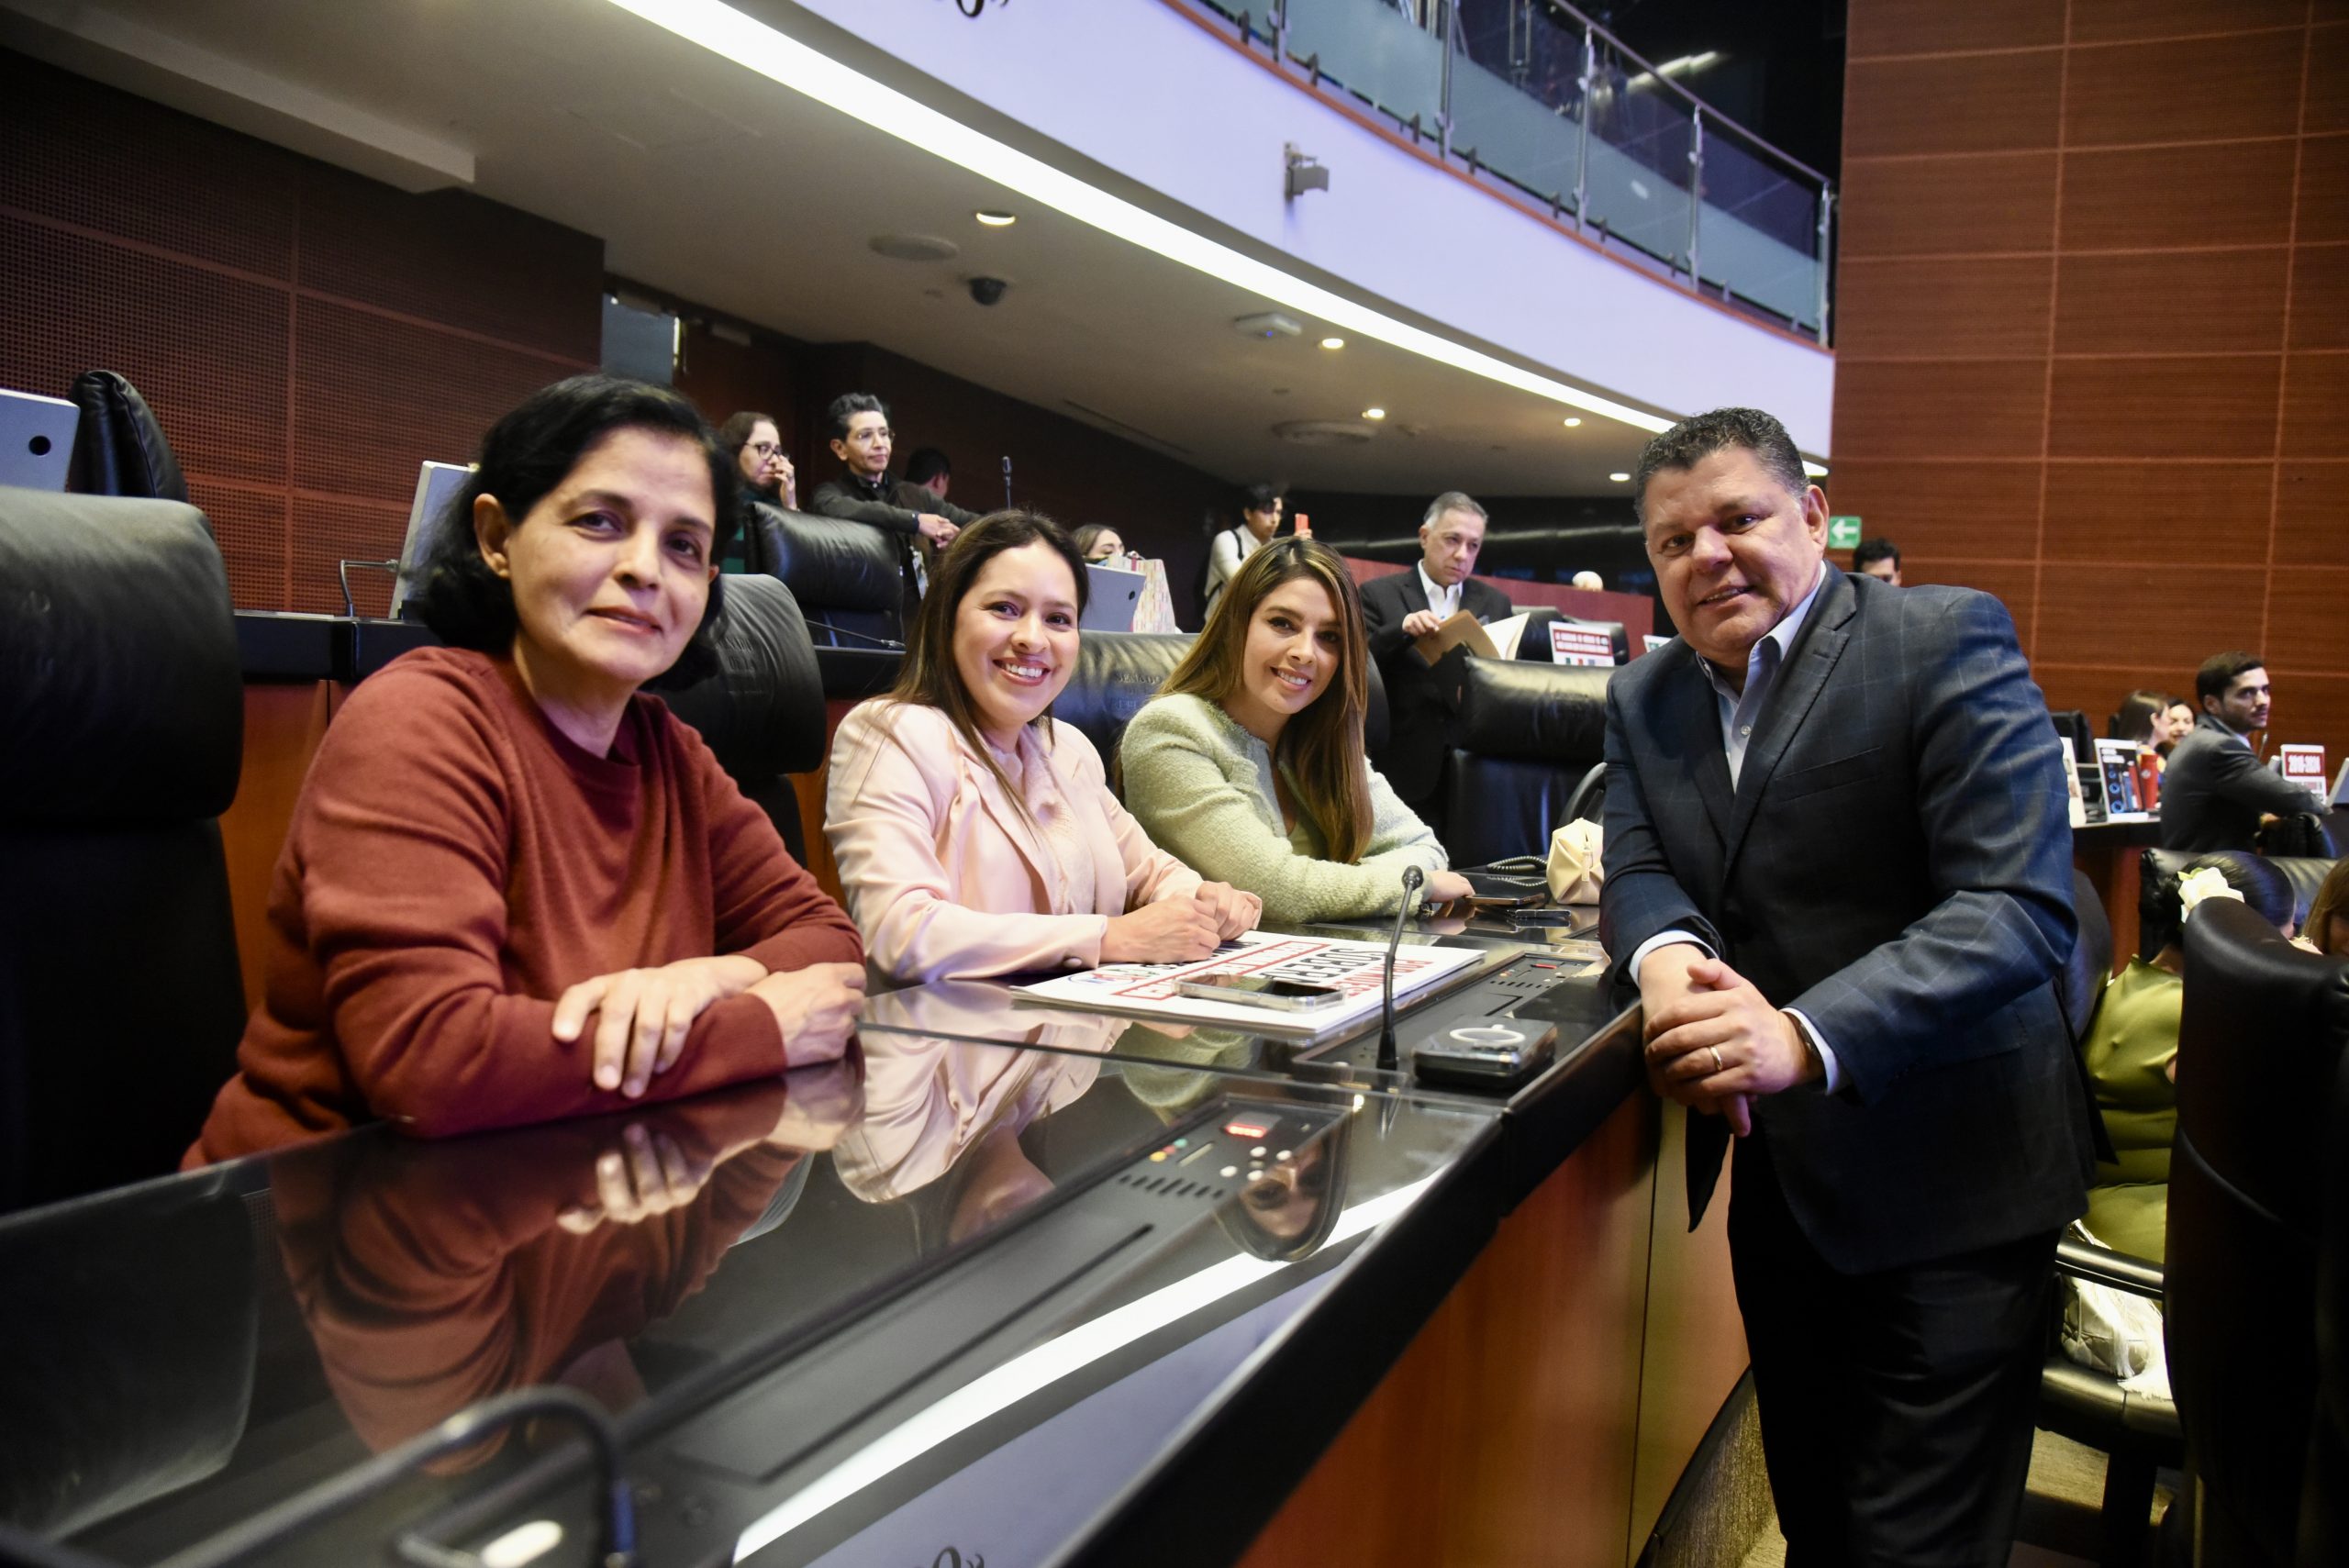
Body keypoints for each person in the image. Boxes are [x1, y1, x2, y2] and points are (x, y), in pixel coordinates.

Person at [1599, 407, 2090, 1566]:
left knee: (1910, 1543)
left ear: (1812, 515)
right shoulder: (1646, 697)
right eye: (1674, 542)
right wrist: (1666, 959)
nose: (1706, 555)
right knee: (1818, 1509)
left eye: (1738, 518)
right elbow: (1638, 866)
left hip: (1956, 1181)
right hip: (1785, 1184)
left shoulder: (1940, 638)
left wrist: (1802, 1034)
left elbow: (2016, 903)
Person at [188, 376, 867, 1165]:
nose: (646, 568)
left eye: (684, 545)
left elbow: (828, 942)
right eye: (600, 521)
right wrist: (756, 1026)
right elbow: (435, 1064)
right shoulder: (418, 720)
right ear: (496, 538)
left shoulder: (669, 750)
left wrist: (701, 980)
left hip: (566, 1189)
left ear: (708, 583)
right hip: (326, 1224)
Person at [826, 511, 1259, 984]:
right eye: (1004, 609)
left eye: (1058, 618)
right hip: (953, 1045)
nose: (1032, 639)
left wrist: (1203, 901)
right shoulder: (888, 735)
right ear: (947, 616)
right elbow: (900, 931)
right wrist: (1108, 938)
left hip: (1076, 1044)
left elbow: (1150, 871)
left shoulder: (1067, 746)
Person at [1121, 535, 1470, 923]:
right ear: (1237, 623)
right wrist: (1417, 885)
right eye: (1282, 624)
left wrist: (1381, 881)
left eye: (1329, 637)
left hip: (1330, 967)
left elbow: (1422, 846)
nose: (1305, 652)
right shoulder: (1169, 731)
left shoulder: (1321, 736)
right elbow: (1278, 892)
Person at [2084, 852, 2300, 1264]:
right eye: (2286, 940)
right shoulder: (2195, 1013)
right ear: (2248, 940)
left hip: (2133, 1206)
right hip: (2149, 1224)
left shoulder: (2135, 983)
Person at [1357, 491, 1512, 806]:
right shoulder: (1377, 594)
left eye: (1473, 545)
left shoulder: (1495, 602)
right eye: (1452, 540)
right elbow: (1358, 663)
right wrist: (1401, 630)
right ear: (1425, 537)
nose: (1461, 555)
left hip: (1473, 760)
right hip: (1402, 758)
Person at [807, 393, 982, 604]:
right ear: (840, 448)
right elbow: (841, 509)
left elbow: (972, 521)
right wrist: (915, 521)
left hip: (913, 622)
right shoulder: (830, 494)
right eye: (865, 436)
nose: (879, 444)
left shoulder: (913, 494)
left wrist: (960, 537)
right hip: (862, 617)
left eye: (884, 434)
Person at [2160, 651, 2311, 852]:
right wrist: (2334, 813)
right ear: (2212, 704)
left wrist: (2262, 821)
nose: (2262, 701)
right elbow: (2296, 799)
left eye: (2265, 690)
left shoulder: (2204, 738)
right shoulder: (2218, 747)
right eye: (2247, 693)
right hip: (2214, 876)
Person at [1202, 483, 1284, 614]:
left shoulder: (1279, 547)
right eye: (1267, 511)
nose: (1275, 519)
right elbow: (1242, 583)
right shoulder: (1227, 540)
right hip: (1223, 628)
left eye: (1278, 512)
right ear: (1248, 513)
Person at [718, 410, 794, 510]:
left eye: (777, 451)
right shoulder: (716, 504)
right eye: (764, 449)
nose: (775, 460)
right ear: (736, 450)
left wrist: (790, 506)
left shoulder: (777, 502)